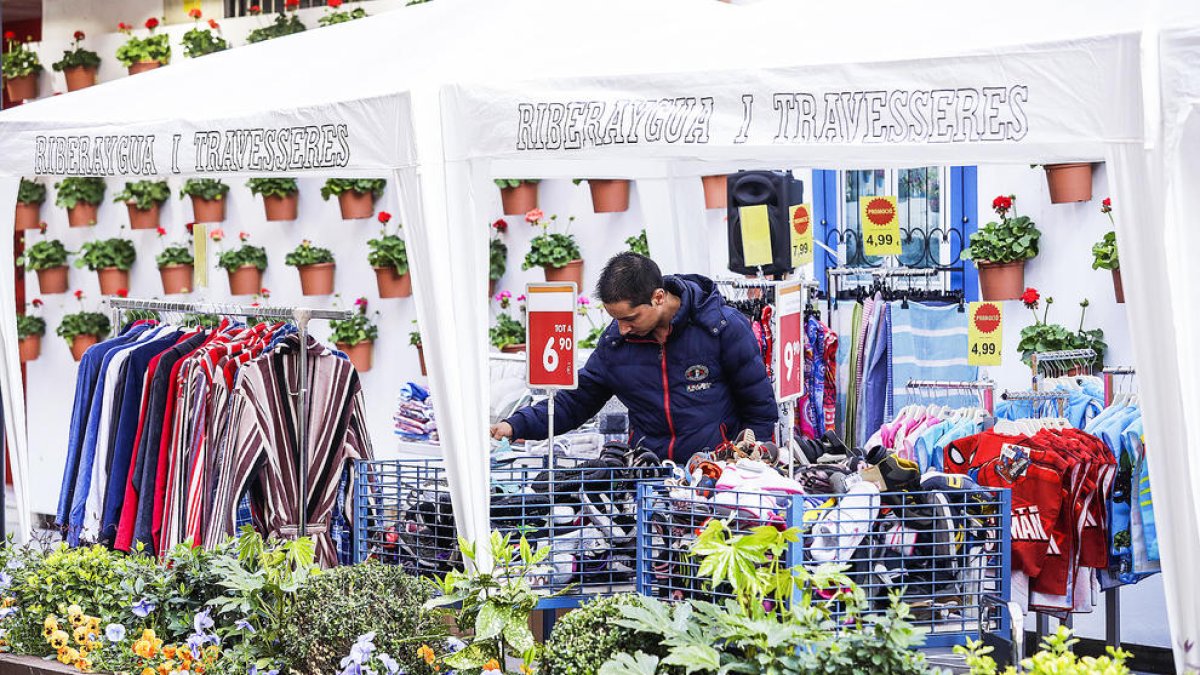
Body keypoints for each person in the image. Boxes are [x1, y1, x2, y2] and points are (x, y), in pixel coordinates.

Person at [490, 252, 778, 463]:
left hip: (718, 477)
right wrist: (516, 425)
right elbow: (577, 400)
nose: (623, 328)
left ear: (658, 297)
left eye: (630, 318)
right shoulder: (615, 343)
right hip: (648, 477)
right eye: (617, 319)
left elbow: (759, 407)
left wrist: (752, 461)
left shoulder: (722, 328)